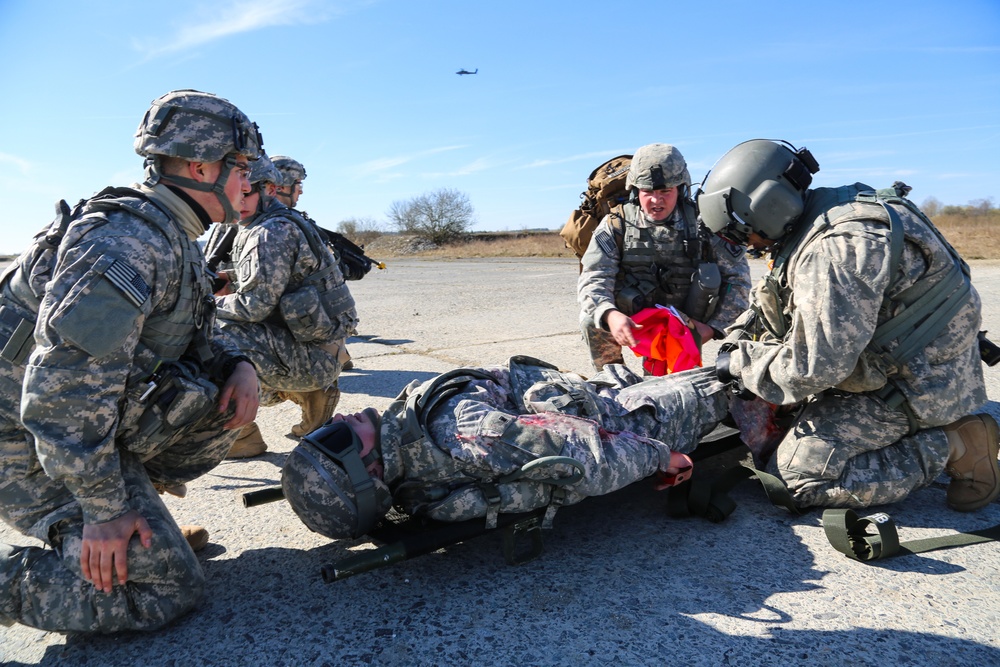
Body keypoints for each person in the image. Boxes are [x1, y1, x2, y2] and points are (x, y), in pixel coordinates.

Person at [0, 89, 262, 633]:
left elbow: (194, 341)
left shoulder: (178, 237)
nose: (251, 184)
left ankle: (141, 524)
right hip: (21, 433)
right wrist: (103, 510)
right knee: (165, 588)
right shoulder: (126, 242)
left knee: (211, 400)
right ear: (200, 166)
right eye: (242, 168)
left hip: (62, 423)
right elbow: (62, 392)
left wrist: (240, 365)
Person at [699, 138, 999, 512]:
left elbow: (811, 369)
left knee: (793, 476)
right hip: (931, 364)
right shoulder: (833, 210)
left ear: (766, 209)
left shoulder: (834, 250)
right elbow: (775, 297)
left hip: (920, 387)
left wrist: (744, 365)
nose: (747, 245)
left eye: (744, 232)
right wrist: (742, 340)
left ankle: (955, 443)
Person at [281, 356, 729, 540]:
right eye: (335, 439)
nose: (337, 420)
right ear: (371, 474)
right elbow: (585, 462)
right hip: (634, 420)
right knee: (734, 378)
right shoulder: (458, 429)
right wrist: (658, 456)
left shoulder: (413, 469)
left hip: (590, 396)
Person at [214, 154, 357, 458]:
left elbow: (254, 306)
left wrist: (206, 303)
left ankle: (240, 436)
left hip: (314, 357)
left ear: (268, 189)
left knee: (207, 338)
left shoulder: (270, 231)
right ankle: (308, 394)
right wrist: (229, 279)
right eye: (231, 191)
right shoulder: (269, 223)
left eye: (245, 192)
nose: (235, 200)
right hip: (319, 348)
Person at [578, 143, 751, 372]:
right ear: (635, 191)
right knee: (592, 318)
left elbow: (737, 281)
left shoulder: (706, 222)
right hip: (631, 316)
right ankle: (611, 382)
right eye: (647, 192)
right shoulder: (616, 224)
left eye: (665, 192)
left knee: (664, 392)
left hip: (682, 322)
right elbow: (594, 277)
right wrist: (609, 314)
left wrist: (713, 327)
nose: (656, 201)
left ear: (680, 189)